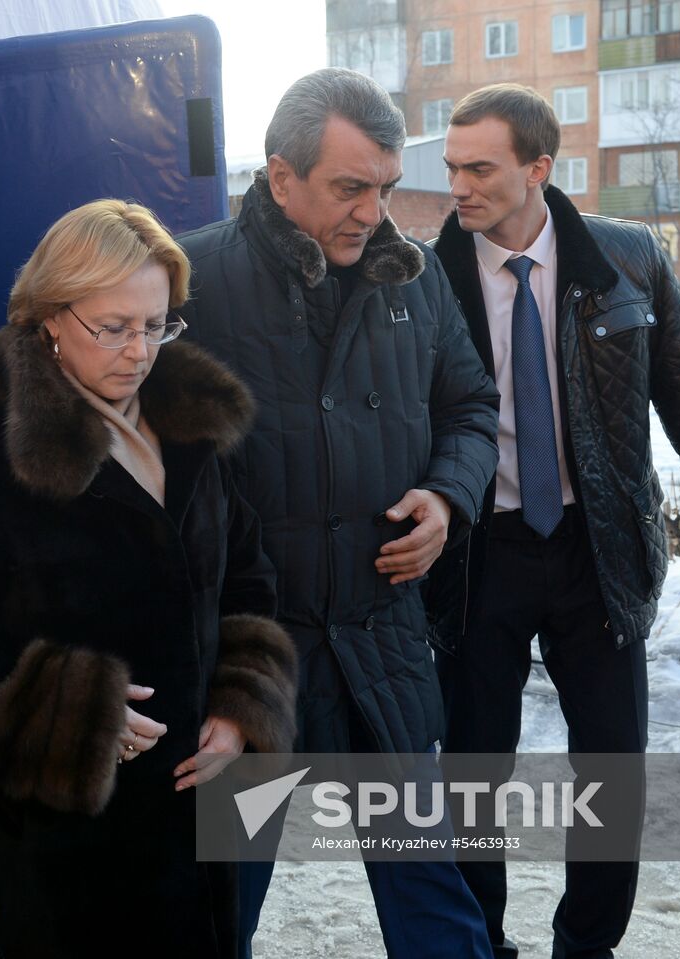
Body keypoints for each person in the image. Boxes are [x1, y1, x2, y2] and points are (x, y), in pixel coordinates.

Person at [0, 199, 298, 957]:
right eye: (114, 326)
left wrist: (241, 707)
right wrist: (59, 713)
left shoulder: (194, 424)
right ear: (49, 318)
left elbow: (249, 578)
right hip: (66, 824)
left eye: (158, 325)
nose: (139, 350)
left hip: (203, 797)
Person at [430, 83, 680, 959]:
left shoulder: (628, 259)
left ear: (538, 170)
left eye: (481, 168)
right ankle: (482, 944)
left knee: (613, 771)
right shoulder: (425, 276)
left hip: (600, 550)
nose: (460, 187)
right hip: (478, 557)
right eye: (451, 168)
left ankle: (586, 945)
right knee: (473, 775)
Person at [177, 68, 500, 959]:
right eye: (349, 187)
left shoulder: (418, 278)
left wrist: (446, 495)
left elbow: (473, 408)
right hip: (252, 657)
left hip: (379, 641)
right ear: (282, 178)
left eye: (386, 188)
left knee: (432, 897)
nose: (372, 211)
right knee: (216, 906)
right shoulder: (189, 277)